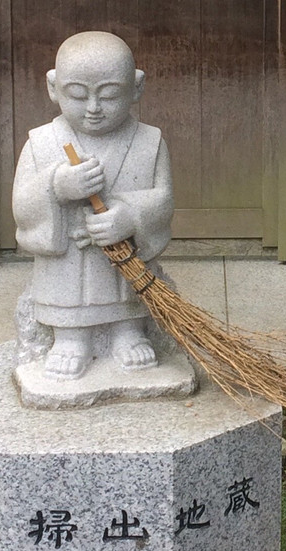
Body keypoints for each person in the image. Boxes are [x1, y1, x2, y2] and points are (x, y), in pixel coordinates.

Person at [13, 31, 174, 380]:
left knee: (128, 292)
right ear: (53, 87)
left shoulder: (150, 142)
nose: (93, 108)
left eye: (110, 94)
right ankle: (71, 338)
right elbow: (22, 205)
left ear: (136, 87)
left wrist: (130, 217)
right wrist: (56, 186)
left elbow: (163, 200)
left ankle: (128, 333)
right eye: (77, 94)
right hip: (68, 258)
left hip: (123, 261)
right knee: (66, 287)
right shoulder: (41, 143)